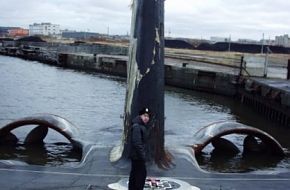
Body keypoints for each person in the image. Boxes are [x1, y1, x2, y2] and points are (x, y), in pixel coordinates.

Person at [128, 107, 151, 190]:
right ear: (140, 116)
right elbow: (137, 143)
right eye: (144, 116)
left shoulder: (140, 125)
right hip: (138, 157)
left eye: (148, 116)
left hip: (137, 157)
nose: (146, 118)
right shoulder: (137, 126)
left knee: (135, 176)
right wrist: (143, 156)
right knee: (140, 176)